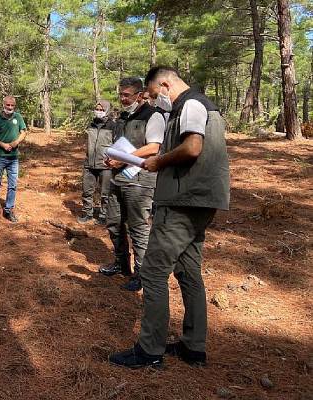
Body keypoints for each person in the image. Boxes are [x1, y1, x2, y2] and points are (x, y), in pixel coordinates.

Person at [109, 66, 230, 368]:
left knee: (151, 271)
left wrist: (157, 161)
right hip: (199, 201)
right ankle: (193, 345)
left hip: (182, 201)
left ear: (164, 85)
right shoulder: (200, 105)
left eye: (152, 95)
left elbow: (192, 147)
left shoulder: (190, 104)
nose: (153, 101)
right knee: (188, 271)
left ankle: (149, 350)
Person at [100, 77, 165, 292]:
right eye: (120, 94)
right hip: (119, 176)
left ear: (139, 94)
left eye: (127, 95)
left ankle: (142, 274)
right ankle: (121, 264)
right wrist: (111, 158)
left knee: (138, 227)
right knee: (113, 222)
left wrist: (123, 159)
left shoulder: (153, 115)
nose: (122, 98)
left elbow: (153, 147)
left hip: (140, 180)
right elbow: (121, 145)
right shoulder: (123, 117)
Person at [0, 95, 28, 223]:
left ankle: (8, 210)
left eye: (12, 105)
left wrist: (15, 143)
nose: (10, 107)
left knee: (12, 185)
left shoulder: (18, 117)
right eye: (7, 105)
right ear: (3, 105)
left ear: (14, 106)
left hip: (13, 158)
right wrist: (2, 144)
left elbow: (24, 132)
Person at [79, 99, 114, 225]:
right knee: (87, 191)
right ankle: (87, 213)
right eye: (97, 109)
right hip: (89, 163)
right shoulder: (91, 124)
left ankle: (103, 216)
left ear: (107, 111)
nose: (98, 112)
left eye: (101, 110)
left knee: (105, 193)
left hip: (105, 165)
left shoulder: (113, 126)